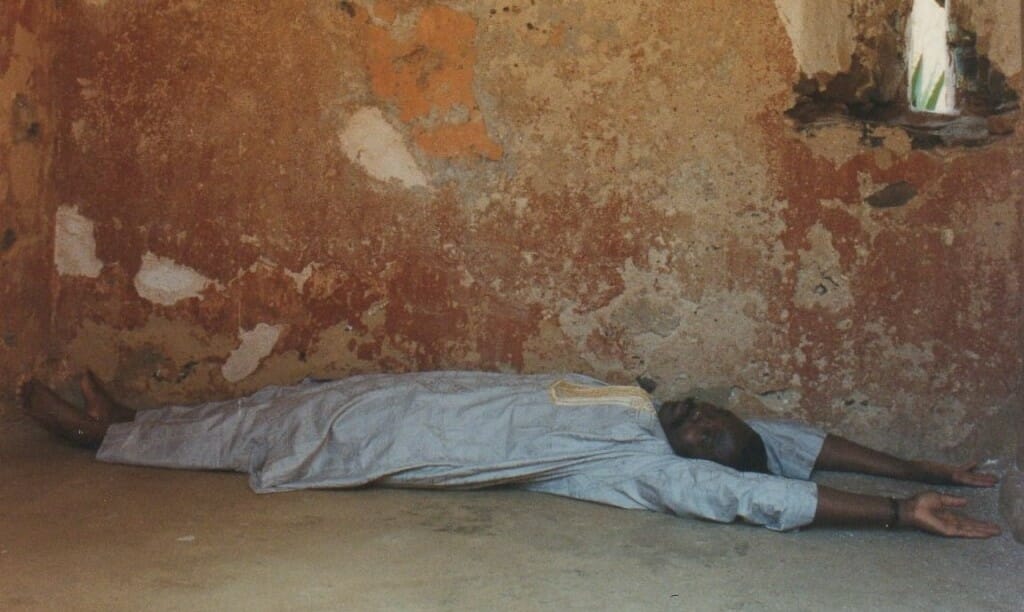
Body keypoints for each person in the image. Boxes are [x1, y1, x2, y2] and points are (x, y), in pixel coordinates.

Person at [21, 370, 1001, 538]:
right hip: (418, 395)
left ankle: (105, 437)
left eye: (707, 435)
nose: (699, 419)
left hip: (400, 441)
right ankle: (141, 416)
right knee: (283, 398)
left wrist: (892, 516)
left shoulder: (647, 466)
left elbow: (762, 495)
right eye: (711, 416)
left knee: (269, 435)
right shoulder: (648, 407)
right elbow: (805, 446)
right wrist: (919, 469)